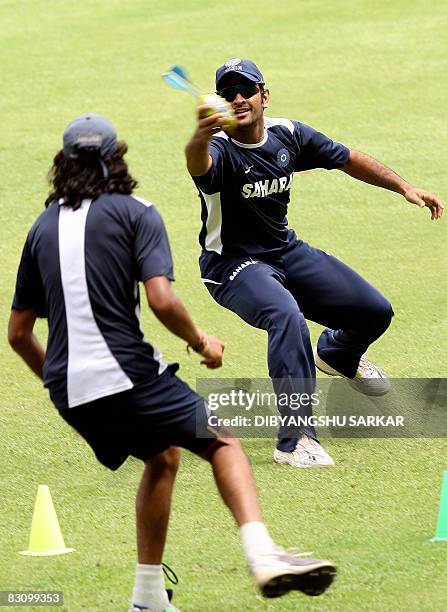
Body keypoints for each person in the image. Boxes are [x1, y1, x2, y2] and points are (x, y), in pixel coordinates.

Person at [8, 113, 337, 612]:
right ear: (117, 157)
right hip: (127, 372)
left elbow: (18, 333)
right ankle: (264, 554)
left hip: (71, 389)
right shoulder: (136, 211)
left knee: (163, 456)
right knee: (223, 442)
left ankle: (147, 600)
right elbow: (160, 300)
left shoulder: (40, 227)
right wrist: (202, 340)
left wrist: (66, 392)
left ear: (63, 164)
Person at [185, 58, 444, 469]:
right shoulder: (218, 149)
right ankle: (295, 440)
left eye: (246, 90)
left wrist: (405, 187)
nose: (238, 99)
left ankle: (338, 355)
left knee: (373, 311)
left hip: (284, 251)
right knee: (285, 316)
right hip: (231, 265)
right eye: (227, 93)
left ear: (264, 95)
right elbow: (199, 165)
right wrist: (199, 137)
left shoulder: (288, 134)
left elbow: (347, 158)